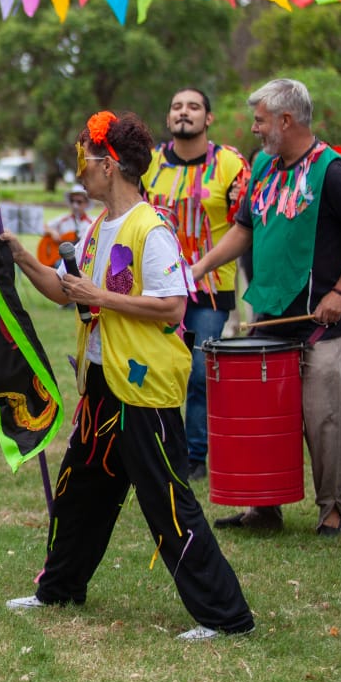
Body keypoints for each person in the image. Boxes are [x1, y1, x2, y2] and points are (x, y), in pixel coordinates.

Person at [0, 110, 254, 640]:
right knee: (78, 493)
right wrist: (22, 257)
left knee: (166, 502)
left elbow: (172, 307)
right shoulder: (97, 228)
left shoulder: (151, 228)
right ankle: (60, 588)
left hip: (142, 390)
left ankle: (227, 617)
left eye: (85, 161)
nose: (81, 172)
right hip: (100, 387)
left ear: (110, 166)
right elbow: (66, 290)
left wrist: (103, 298)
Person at [192, 79, 341, 536]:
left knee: (324, 416)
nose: (255, 128)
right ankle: (263, 505)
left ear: (286, 120)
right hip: (270, 313)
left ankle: (332, 508)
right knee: (261, 412)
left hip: (321, 320)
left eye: (260, 119)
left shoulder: (333, 171)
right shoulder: (263, 165)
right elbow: (244, 229)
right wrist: (197, 269)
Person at [143, 87, 249, 482]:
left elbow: (245, 227)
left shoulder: (230, 164)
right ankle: (161, 448)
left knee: (201, 373)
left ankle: (195, 454)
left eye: (193, 107)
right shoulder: (150, 163)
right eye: (176, 107)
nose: (183, 112)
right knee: (158, 370)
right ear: (168, 118)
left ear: (209, 119)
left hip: (209, 291)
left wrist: (198, 268)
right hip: (157, 290)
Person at [36, 181, 94, 268]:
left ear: (86, 203)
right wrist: (52, 232)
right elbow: (42, 227)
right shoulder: (63, 220)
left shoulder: (93, 222)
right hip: (61, 259)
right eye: (72, 201)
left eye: (79, 202)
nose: (75, 205)